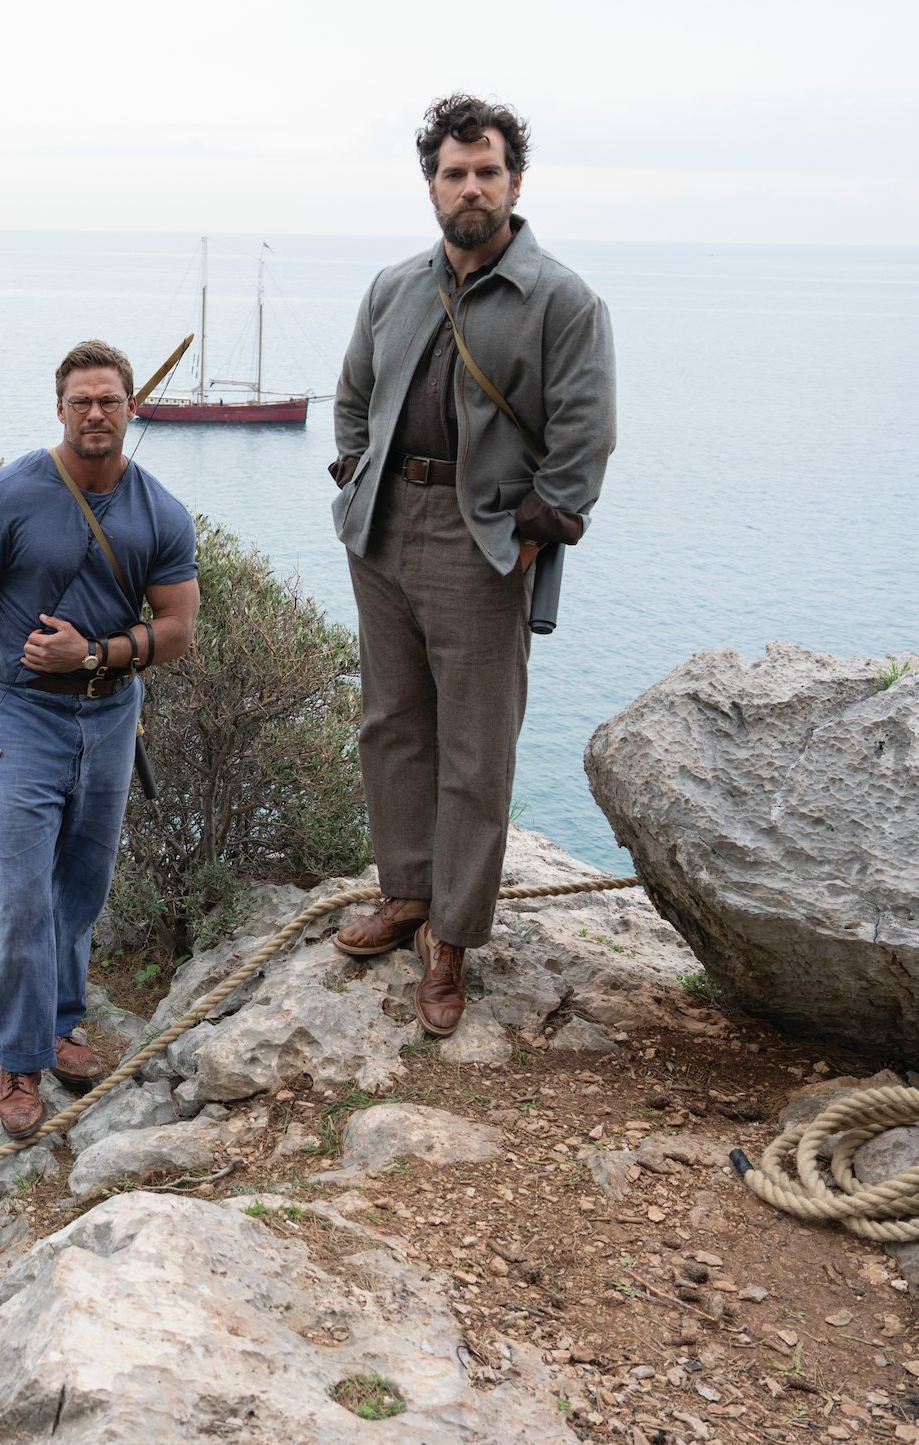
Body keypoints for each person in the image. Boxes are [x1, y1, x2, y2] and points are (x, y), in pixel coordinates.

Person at [328, 95, 616, 1036]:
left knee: (475, 750)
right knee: (391, 723)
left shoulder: (562, 300)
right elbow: (353, 397)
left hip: (483, 537)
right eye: (454, 172)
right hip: (384, 527)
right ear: (431, 184)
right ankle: (407, 894)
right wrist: (354, 481)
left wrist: (535, 528)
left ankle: (450, 942)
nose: (471, 187)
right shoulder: (392, 287)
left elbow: (584, 436)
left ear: (515, 182)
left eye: (487, 171)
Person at [0, 340, 200, 1138]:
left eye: (109, 401)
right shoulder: (3, 496)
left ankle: (59, 1028)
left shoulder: (160, 511)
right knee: (20, 897)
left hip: (114, 714)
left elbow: (180, 627)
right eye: (81, 401)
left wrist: (97, 654)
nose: (95, 414)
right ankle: (18, 1062)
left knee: (81, 888)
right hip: (24, 717)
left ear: (130, 407)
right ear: (60, 409)